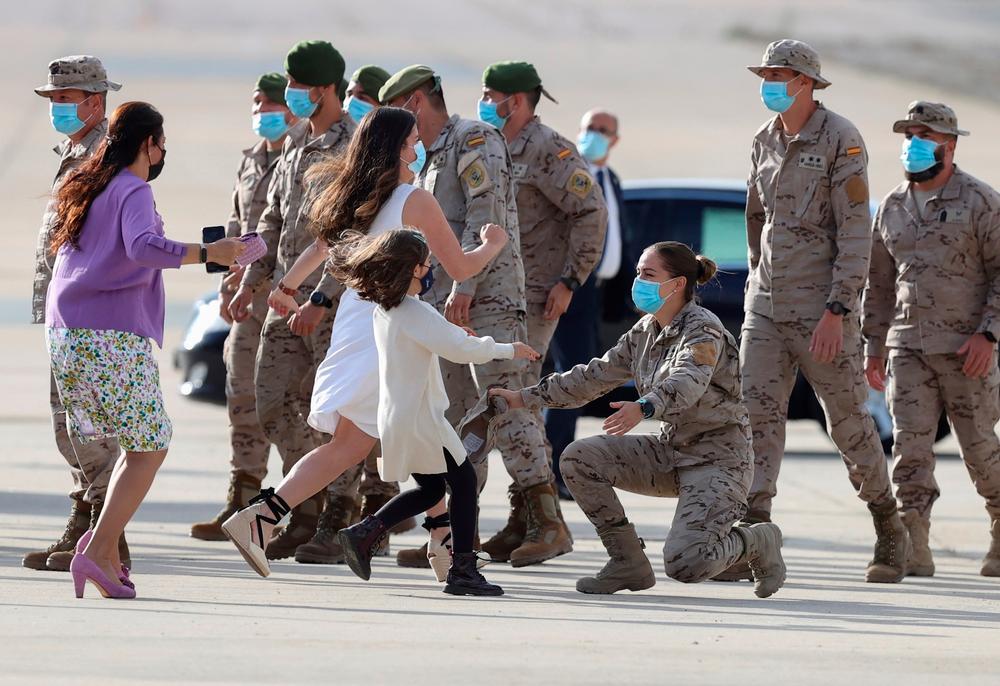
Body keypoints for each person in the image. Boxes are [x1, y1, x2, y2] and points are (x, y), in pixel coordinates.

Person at [221, 106, 508, 579]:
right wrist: (492, 244)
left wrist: (288, 287)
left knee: (413, 430)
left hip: (359, 325)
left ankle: (443, 540)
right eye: (412, 141)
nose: (418, 148)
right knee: (357, 443)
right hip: (389, 330)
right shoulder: (414, 199)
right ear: (396, 147)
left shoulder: (356, 196)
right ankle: (262, 518)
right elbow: (460, 266)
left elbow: (319, 248)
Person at [490, 242, 786, 598]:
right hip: (671, 450)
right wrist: (524, 398)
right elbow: (594, 375)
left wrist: (644, 406)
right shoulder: (645, 331)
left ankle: (756, 539)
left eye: (648, 275)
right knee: (578, 458)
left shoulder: (703, 329)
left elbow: (687, 381)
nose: (638, 281)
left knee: (686, 563)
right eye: (638, 274)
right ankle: (626, 561)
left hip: (719, 459)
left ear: (677, 284)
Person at [716, 39, 909, 584]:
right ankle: (751, 538)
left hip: (822, 310)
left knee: (847, 422)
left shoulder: (841, 139)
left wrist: (838, 309)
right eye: (765, 73)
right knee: (754, 420)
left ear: (805, 82)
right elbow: (756, 216)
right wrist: (757, 276)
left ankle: (888, 526)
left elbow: (855, 233)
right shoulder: (763, 139)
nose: (768, 83)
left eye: (778, 74)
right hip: (767, 308)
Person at [46, 101, 245, 598]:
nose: (163, 152)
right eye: (161, 142)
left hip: (70, 334)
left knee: (129, 444)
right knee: (148, 446)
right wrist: (208, 254)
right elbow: (140, 247)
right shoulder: (132, 188)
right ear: (147, 144)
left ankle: (106, 554)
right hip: (109, 335)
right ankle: (96, 550)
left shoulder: (89, 185)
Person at [378, 65, 538, 568]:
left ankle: (544, 518)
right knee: (456, 419)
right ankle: (452, 536)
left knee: (504, 401)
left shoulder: (474, 137)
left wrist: (464, 286)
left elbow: (484, 214)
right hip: (444, 300)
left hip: (485, 293)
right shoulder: (427, 156)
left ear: (417, 101)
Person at [331, 228, 539, 595]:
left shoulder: (386, 308)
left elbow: (447, 340)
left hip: (402, 416)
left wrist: (461, 339)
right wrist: (509, 349)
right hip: (421, 418)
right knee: (463, 484)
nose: (429, 271)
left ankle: (364, 534)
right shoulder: (413, 310)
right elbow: (457, 348)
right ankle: (462, 571)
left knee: (431, 491)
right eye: (426, 264)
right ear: (411, 269)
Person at [228, 40, 364, 563]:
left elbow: (350, 234)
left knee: (338, 413)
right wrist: (250, 280)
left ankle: (337, 513)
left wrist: (324, 297)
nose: (290, 96)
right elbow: (272, 220)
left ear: (326, 89)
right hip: (284, 297)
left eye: (299, 87)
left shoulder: (354, 146)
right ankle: (306, 501)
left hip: (335, 303)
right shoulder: (294, 142)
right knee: (271, 403)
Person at [476, 60, 607, 565]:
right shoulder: (490, 145)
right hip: (496, 293)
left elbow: (590, 212)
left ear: (518, 100)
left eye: (493, 95)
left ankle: (545, 522)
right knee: (505, 406)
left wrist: (571, 280)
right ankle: (522, 519)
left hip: (534, 300)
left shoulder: (549, 148)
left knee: (517, 402)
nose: (485, 103)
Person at [863, 101, 1000, 578]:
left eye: (925, 135)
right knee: (909, 449)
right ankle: (912, 547)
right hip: (908, 348)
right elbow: (878, 284)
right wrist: (873, 347)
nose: (914, 143)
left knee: (980, 450)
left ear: (950, 144)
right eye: (909, 134)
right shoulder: (893, 207)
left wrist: (989, 335)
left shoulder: (981, 201)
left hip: (968, 351)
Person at [24, 55, 128, 573]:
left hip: (87, 310)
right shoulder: (76, 152)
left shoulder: (106, 157)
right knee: (68, 422)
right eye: (53, 100)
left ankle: (106, 533)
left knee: (88, 422)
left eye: (65, 99)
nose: (57, 108)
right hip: (65, 307)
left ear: (95, 100)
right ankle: (89, 521)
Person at [190, 72, 296, 541]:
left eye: (271, 104)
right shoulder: (252, 160)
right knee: (241, 396)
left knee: (289, 402)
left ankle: (305, 502)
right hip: (242, 296)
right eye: (257, 103)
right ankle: (242, 496)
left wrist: (248, 274)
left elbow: (278, 232)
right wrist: (228, 273)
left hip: (278, 294)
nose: (262, 112)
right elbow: (239, 225)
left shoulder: (300, 157)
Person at [546, 107, 629, 501]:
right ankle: (551, 471)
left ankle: (556, 468)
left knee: (578, 381)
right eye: (589, 128)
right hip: (565, 287)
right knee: (570, 380)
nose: (594, 135)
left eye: (603, 130)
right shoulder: (567, 174)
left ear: (615, 140)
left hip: (594, 293)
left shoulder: (610, 179)